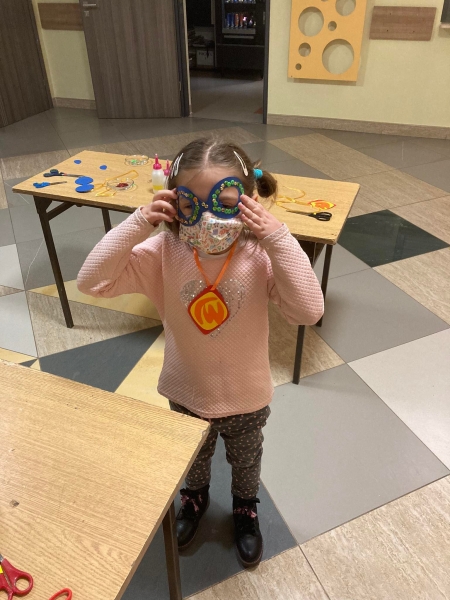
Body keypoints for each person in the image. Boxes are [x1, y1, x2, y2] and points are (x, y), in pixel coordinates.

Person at [77, 137, 324, 568]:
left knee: (246, 461)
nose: (209, 217)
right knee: (192, 458)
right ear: (175, 202)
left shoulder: (258, 254)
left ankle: (245, 507)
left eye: (225, 204)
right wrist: (139, 221)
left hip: (246, 395)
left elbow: (308, 310)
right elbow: (91, 281)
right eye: (192, 204)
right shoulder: (164, 252)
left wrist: (277, 237)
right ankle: (194, 497)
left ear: (249, 201)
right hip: (186, 390)